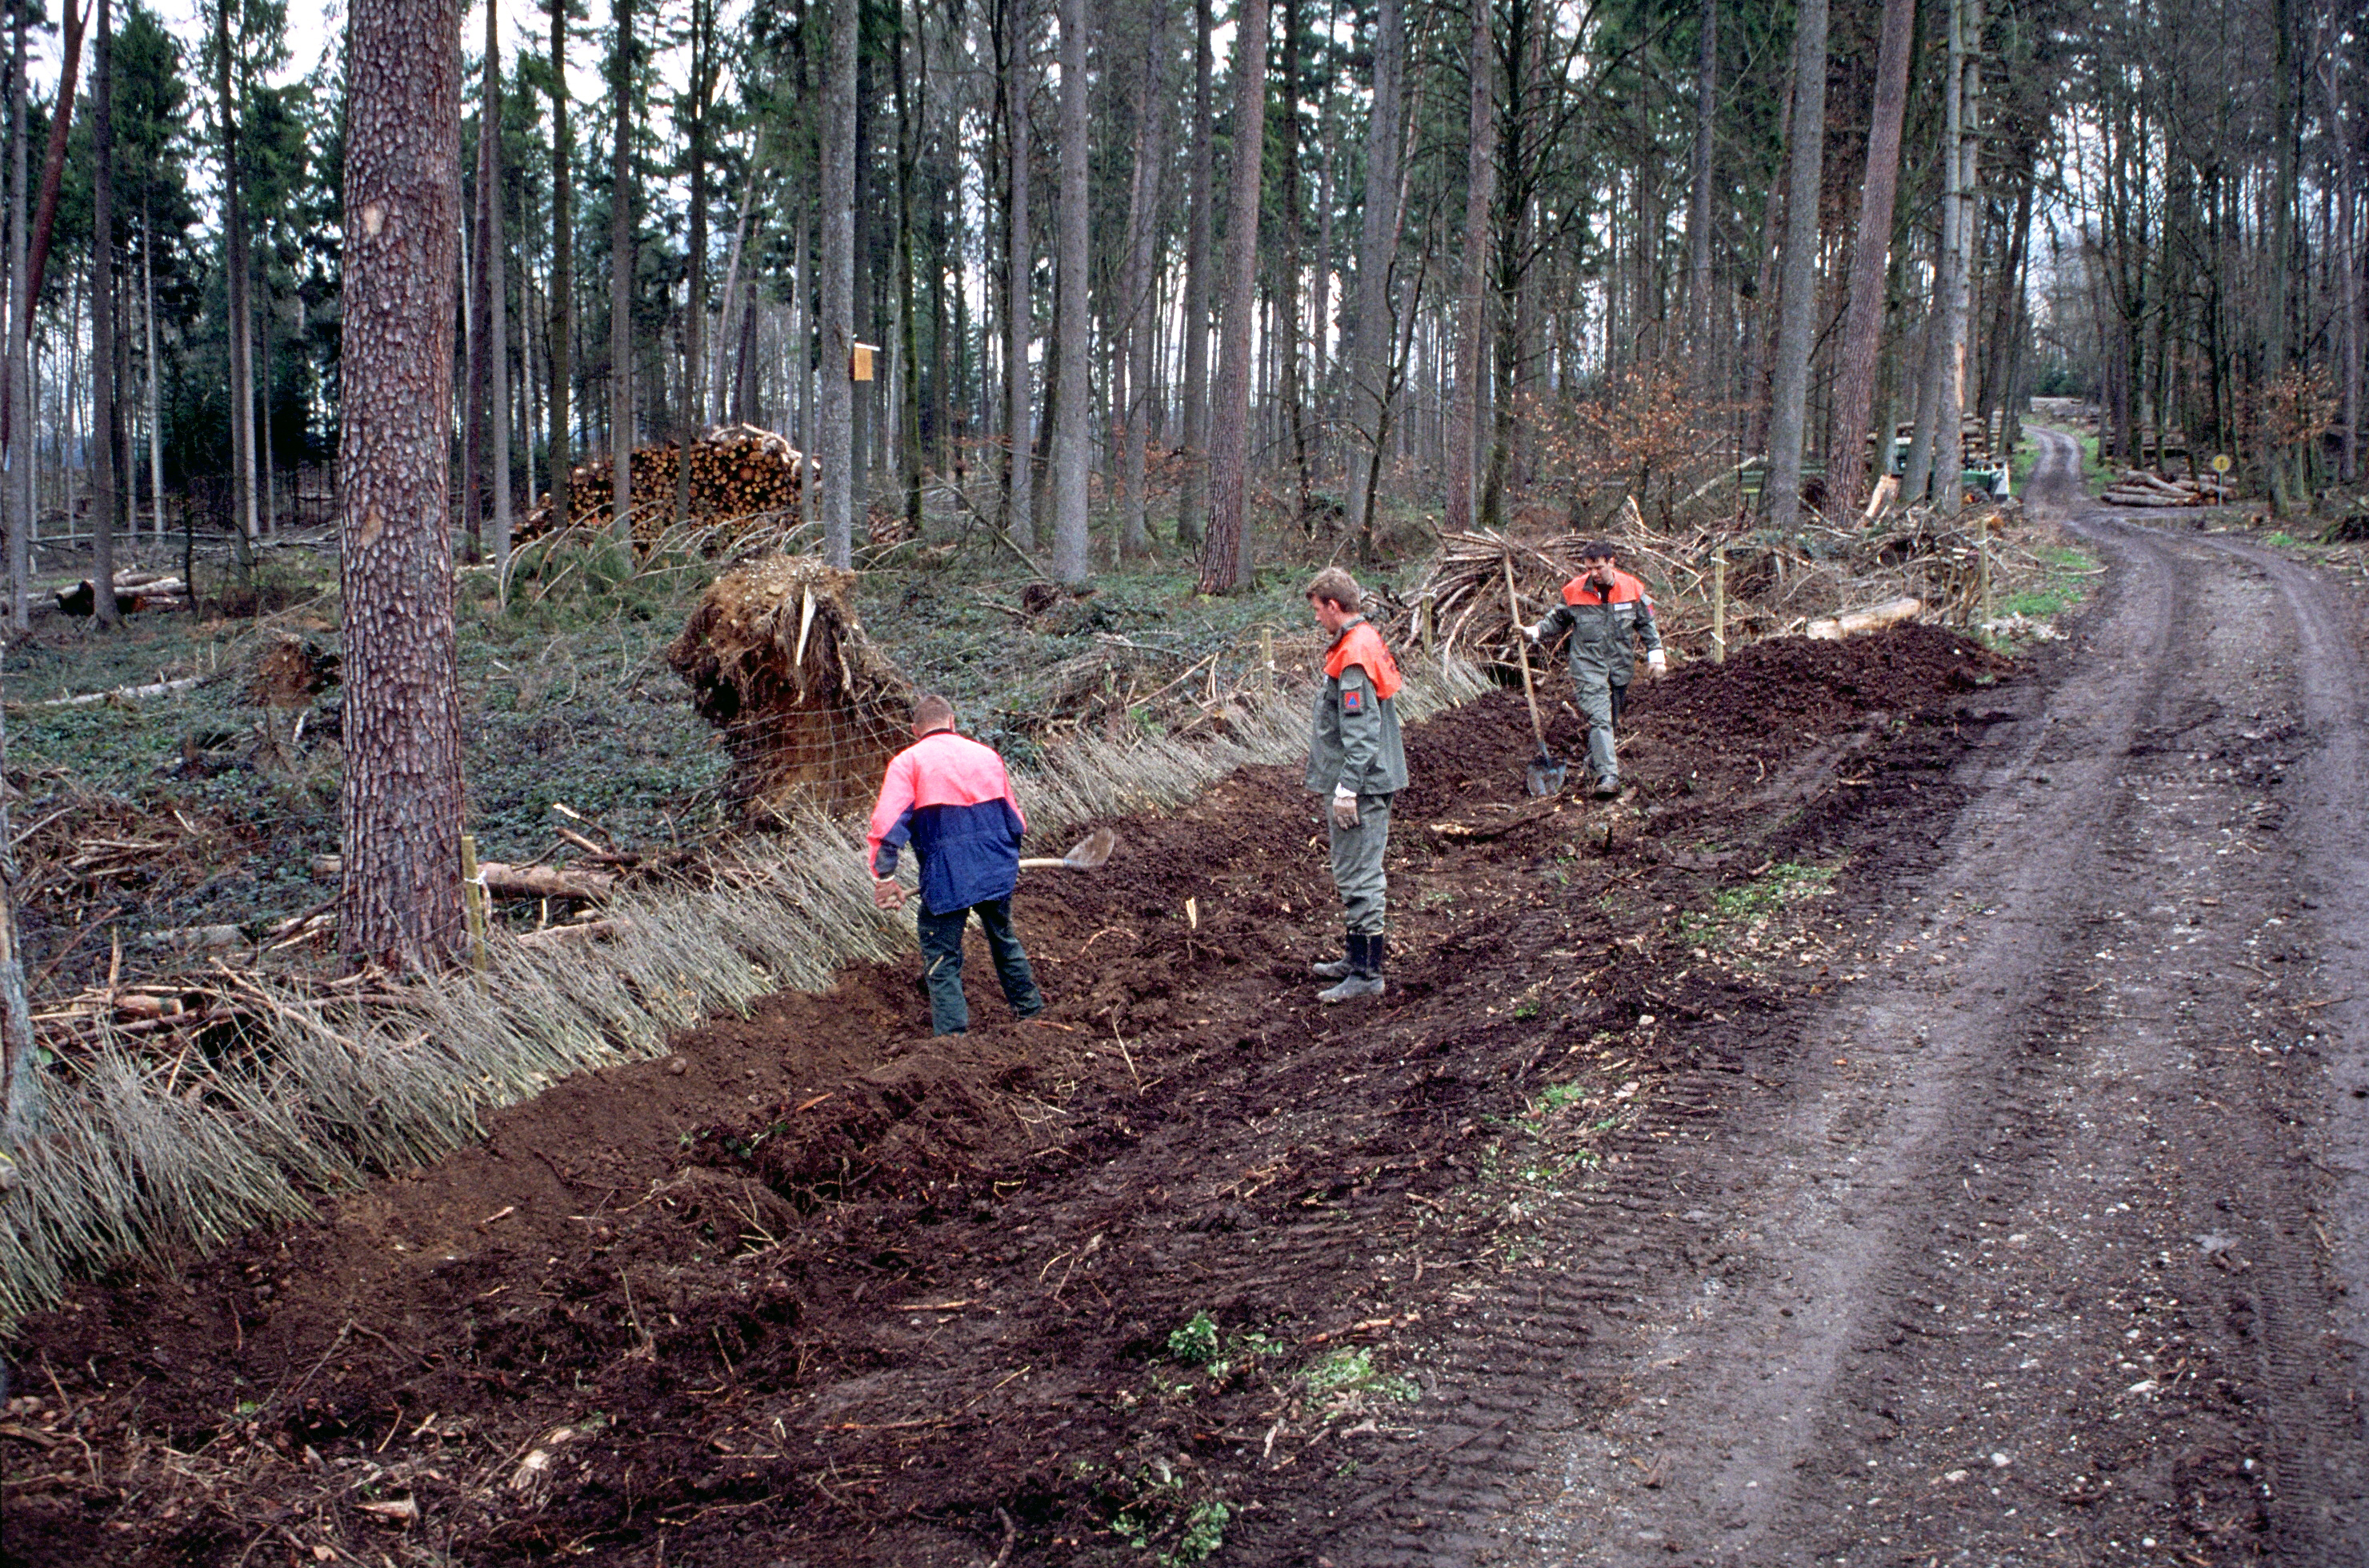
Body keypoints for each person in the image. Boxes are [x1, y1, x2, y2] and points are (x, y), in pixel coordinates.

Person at [866, 694, 1044, 1034]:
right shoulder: (987, 756)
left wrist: (885, 877)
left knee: (942, 958)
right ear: (952, 722)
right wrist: (1006, 861)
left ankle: (952, 1042)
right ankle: (1032, 1012)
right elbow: (1015, 821)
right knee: (1004, 939)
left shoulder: (909, 763)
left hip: (947, 877)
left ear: (915, 730)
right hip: (996, 869)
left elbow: (887, 829)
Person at [1303, 567, 1408, 1003]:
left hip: (1362, 784)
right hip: (1367, 777)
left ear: (1334, 606)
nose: (1316, 620)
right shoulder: (1361, 640)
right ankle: (1354, 957)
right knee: (1351, 870)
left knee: (1360, 873)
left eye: (1316, 611)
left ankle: (1367, 973)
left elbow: (1360, 729)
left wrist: (1347, 786)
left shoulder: (1354, 655)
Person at [1525, 540, 1666, 798]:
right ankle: (1608, 776)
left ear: (1612, 563)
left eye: (1599, 568)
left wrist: (1656, 656)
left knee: (1610, 718)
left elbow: (1647, 625)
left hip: (1620, 666)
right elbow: (1556, 619)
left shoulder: (1632, 588)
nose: (1594, 574)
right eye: (1589, 568)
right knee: (1600, 718)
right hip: (1588, 665)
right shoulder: (1574, 591)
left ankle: (1594, 759)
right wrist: (1533, 632)